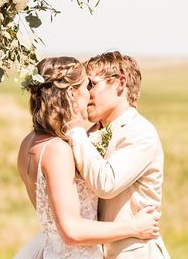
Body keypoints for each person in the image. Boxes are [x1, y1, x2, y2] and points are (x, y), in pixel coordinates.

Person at [15, 57, 160, 259]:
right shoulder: (58, 149)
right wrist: (133, 227)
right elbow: (72, 229)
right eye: (87, 85)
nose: (89, 92)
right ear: (72, 93)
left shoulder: (29, 143)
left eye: (93, 85)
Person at [66, 52, 170, 259]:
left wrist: (75, 130)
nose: (85, 94)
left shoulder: (141, 132)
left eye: (91, 85)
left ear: (119, 84)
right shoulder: (90, 135)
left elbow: (106, 183)